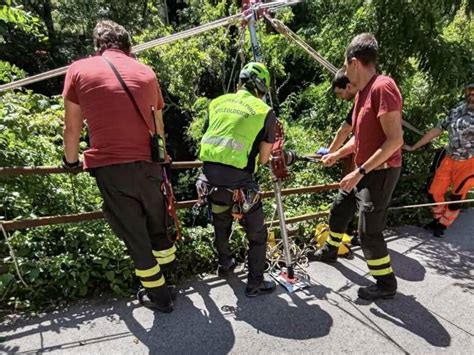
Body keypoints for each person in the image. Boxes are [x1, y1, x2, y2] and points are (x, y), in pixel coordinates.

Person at [62, 20, 176, 313]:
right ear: (128, 45)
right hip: (150, 163)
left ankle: (160, 297)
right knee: (157, 226)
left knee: (136, 235)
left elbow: (72, 128)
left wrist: (70, 162)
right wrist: (161, 159)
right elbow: (158, 127)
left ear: (97, 45)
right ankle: (170, 280)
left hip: (112, 166)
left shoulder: (78, 70)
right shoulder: (147, 72)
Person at [309, 33, 404, 301]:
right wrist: (337, 154)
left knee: (368, 231)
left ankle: (385, 283)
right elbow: (359, 138)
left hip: (381, 172)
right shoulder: (362, 93)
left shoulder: (383, 87)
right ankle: (330, 250)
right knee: (340, 206)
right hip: (363, 170)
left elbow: (395, 140)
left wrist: (359, 171)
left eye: (345, 63)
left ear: (353, 62)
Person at [197, 62, 277, 297]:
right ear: (260, 89)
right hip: (241, 187)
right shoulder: (265, 111)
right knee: (257, 234)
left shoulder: (217, 103)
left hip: (208, 182)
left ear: (241, 82)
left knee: (221, 224)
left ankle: (225, 263)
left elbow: (208, 136)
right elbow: (263, 159)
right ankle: (254, 284)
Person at [404, 81, 474, 237]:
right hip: (449, 157)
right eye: (470, 90)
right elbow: (437, 129)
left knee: (457, 196)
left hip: (469, 163)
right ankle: (438, 218)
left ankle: (442, 224)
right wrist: (414, 146)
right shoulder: (457, 110)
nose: (472, 94)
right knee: (433, 191)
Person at [317, 68, 357, 155]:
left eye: (340, 93)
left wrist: (330, 151)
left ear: (348, 87)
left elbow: (345, 129)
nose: (340, 97)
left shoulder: (362, 98)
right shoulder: (364, 94)